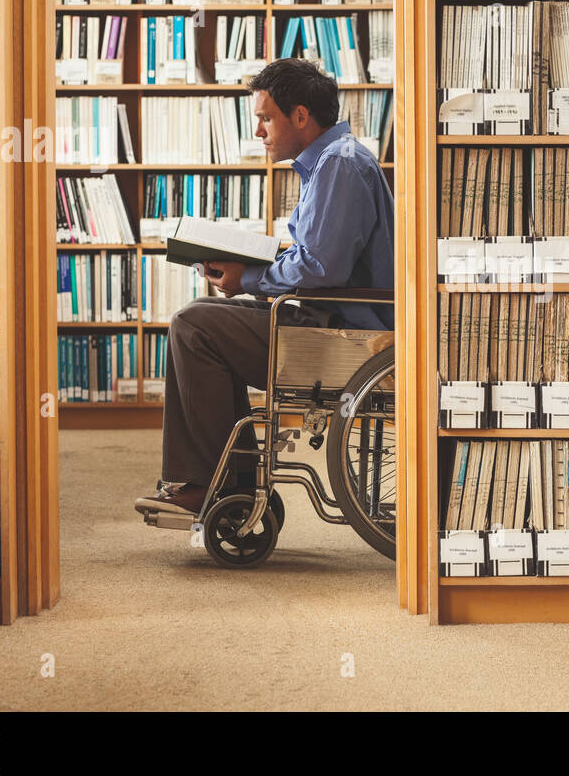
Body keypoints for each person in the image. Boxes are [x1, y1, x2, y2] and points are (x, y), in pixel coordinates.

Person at [134, 58, 393, 517]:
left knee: (195, 326)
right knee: (197, 317)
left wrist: (247, 277)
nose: (259, 131)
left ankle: (212, 484)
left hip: (342, 331)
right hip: (325, 315)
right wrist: (252, 264)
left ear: (300, 116)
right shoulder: (335, 161)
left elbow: (320, 267)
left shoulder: (339, 165)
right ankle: (224, 482)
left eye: (265, 118)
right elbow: (320, 257)